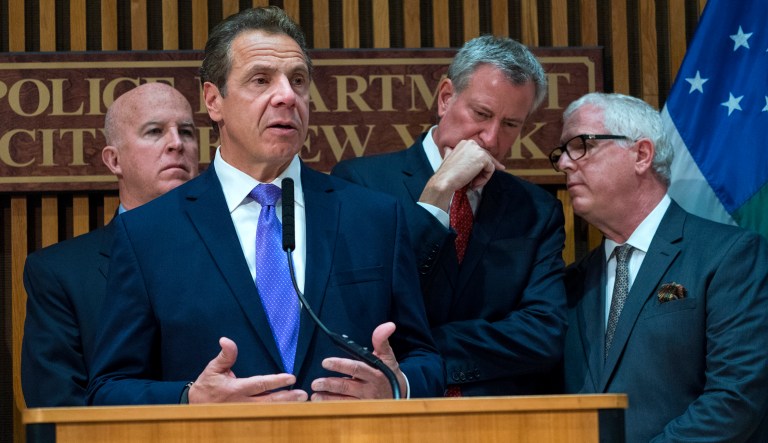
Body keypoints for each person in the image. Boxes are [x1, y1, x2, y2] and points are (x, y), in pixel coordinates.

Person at [86, 6, 444, 405]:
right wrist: (191, 400)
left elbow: (425, 359)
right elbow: (108, 389)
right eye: (261, 80)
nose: (287, 96)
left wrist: (396, 386)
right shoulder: (148, 233)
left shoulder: (374, 218)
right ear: (213, 101)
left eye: (298, 80)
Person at [332, 35, 567, 396]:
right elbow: (368, 307)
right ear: (445, 98)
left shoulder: (536, 210)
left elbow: (543, 333)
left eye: (510, 124)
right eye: (482, 114)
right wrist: (438, 191)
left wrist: (425, 353)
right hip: (391, 410)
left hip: (496, 412)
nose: (491, 138)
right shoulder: (360, 184)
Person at [554, 92, 768, 442]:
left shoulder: (730, 255)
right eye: (562, 152)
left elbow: (736, 396)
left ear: (641, 154)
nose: (564, 163)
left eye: (581, 145)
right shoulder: (572, 282)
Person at [21, 82, 200, 407]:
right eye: (155, 131)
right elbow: (59, 408)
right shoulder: (60, 273)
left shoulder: (238, 248)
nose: (177, 143)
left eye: (187, 132)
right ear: (114, 160)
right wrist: (187, 399)